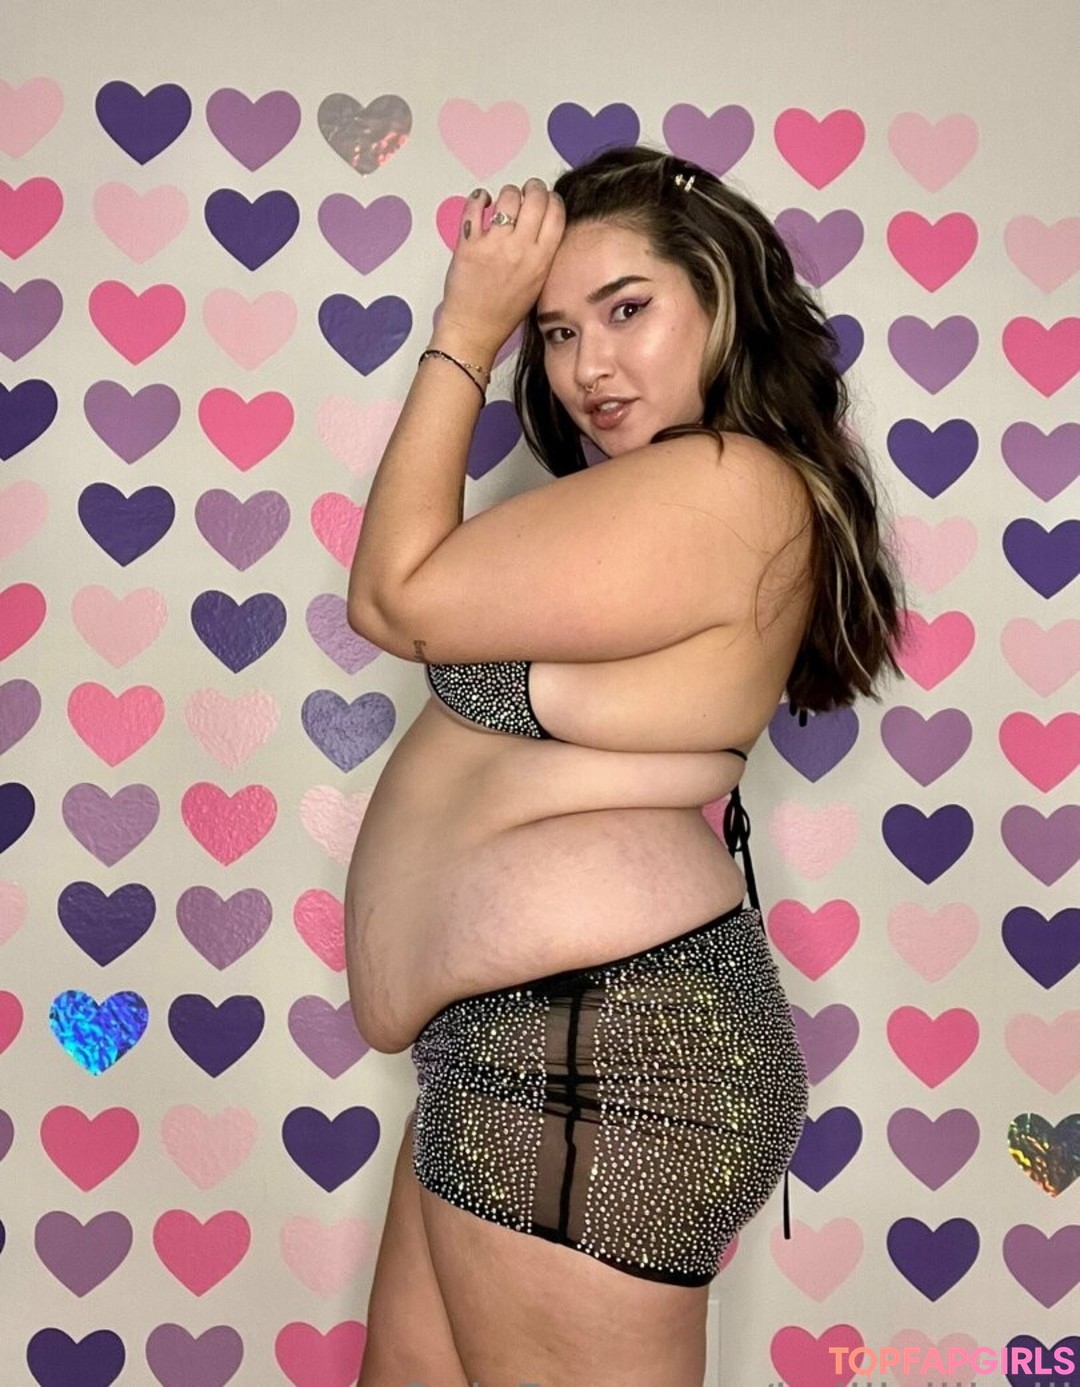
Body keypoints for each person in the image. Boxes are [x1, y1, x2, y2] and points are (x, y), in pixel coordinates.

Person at [343, 144, 907, 1387]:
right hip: (527, 1044)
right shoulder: (676, 498)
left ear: (722, 298)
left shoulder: (723, 481)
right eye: (553, 331)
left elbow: (392, 597)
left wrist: (467, 329)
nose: (586, 366)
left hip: (602, 1053)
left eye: (626, 310)